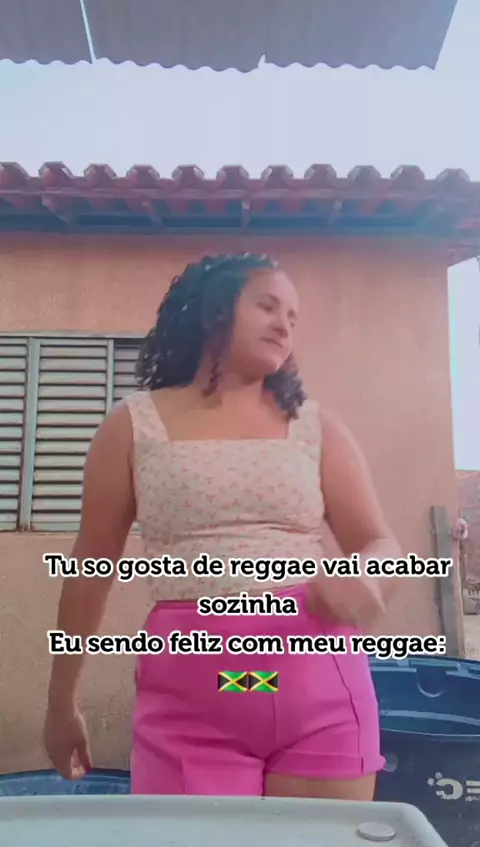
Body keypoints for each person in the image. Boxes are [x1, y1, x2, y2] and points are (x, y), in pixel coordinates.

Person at [44, 252, 401, 800]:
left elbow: (379, 542)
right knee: (192, 840)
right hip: (191, 702)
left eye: (293, 316)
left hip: (320, 692)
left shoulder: (315, 427)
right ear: (213, 312)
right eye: (267, 306)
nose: (284, 324)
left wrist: (368, 575)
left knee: (318, 843)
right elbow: (91, 568)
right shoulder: (132, 427)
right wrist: (61, 701)